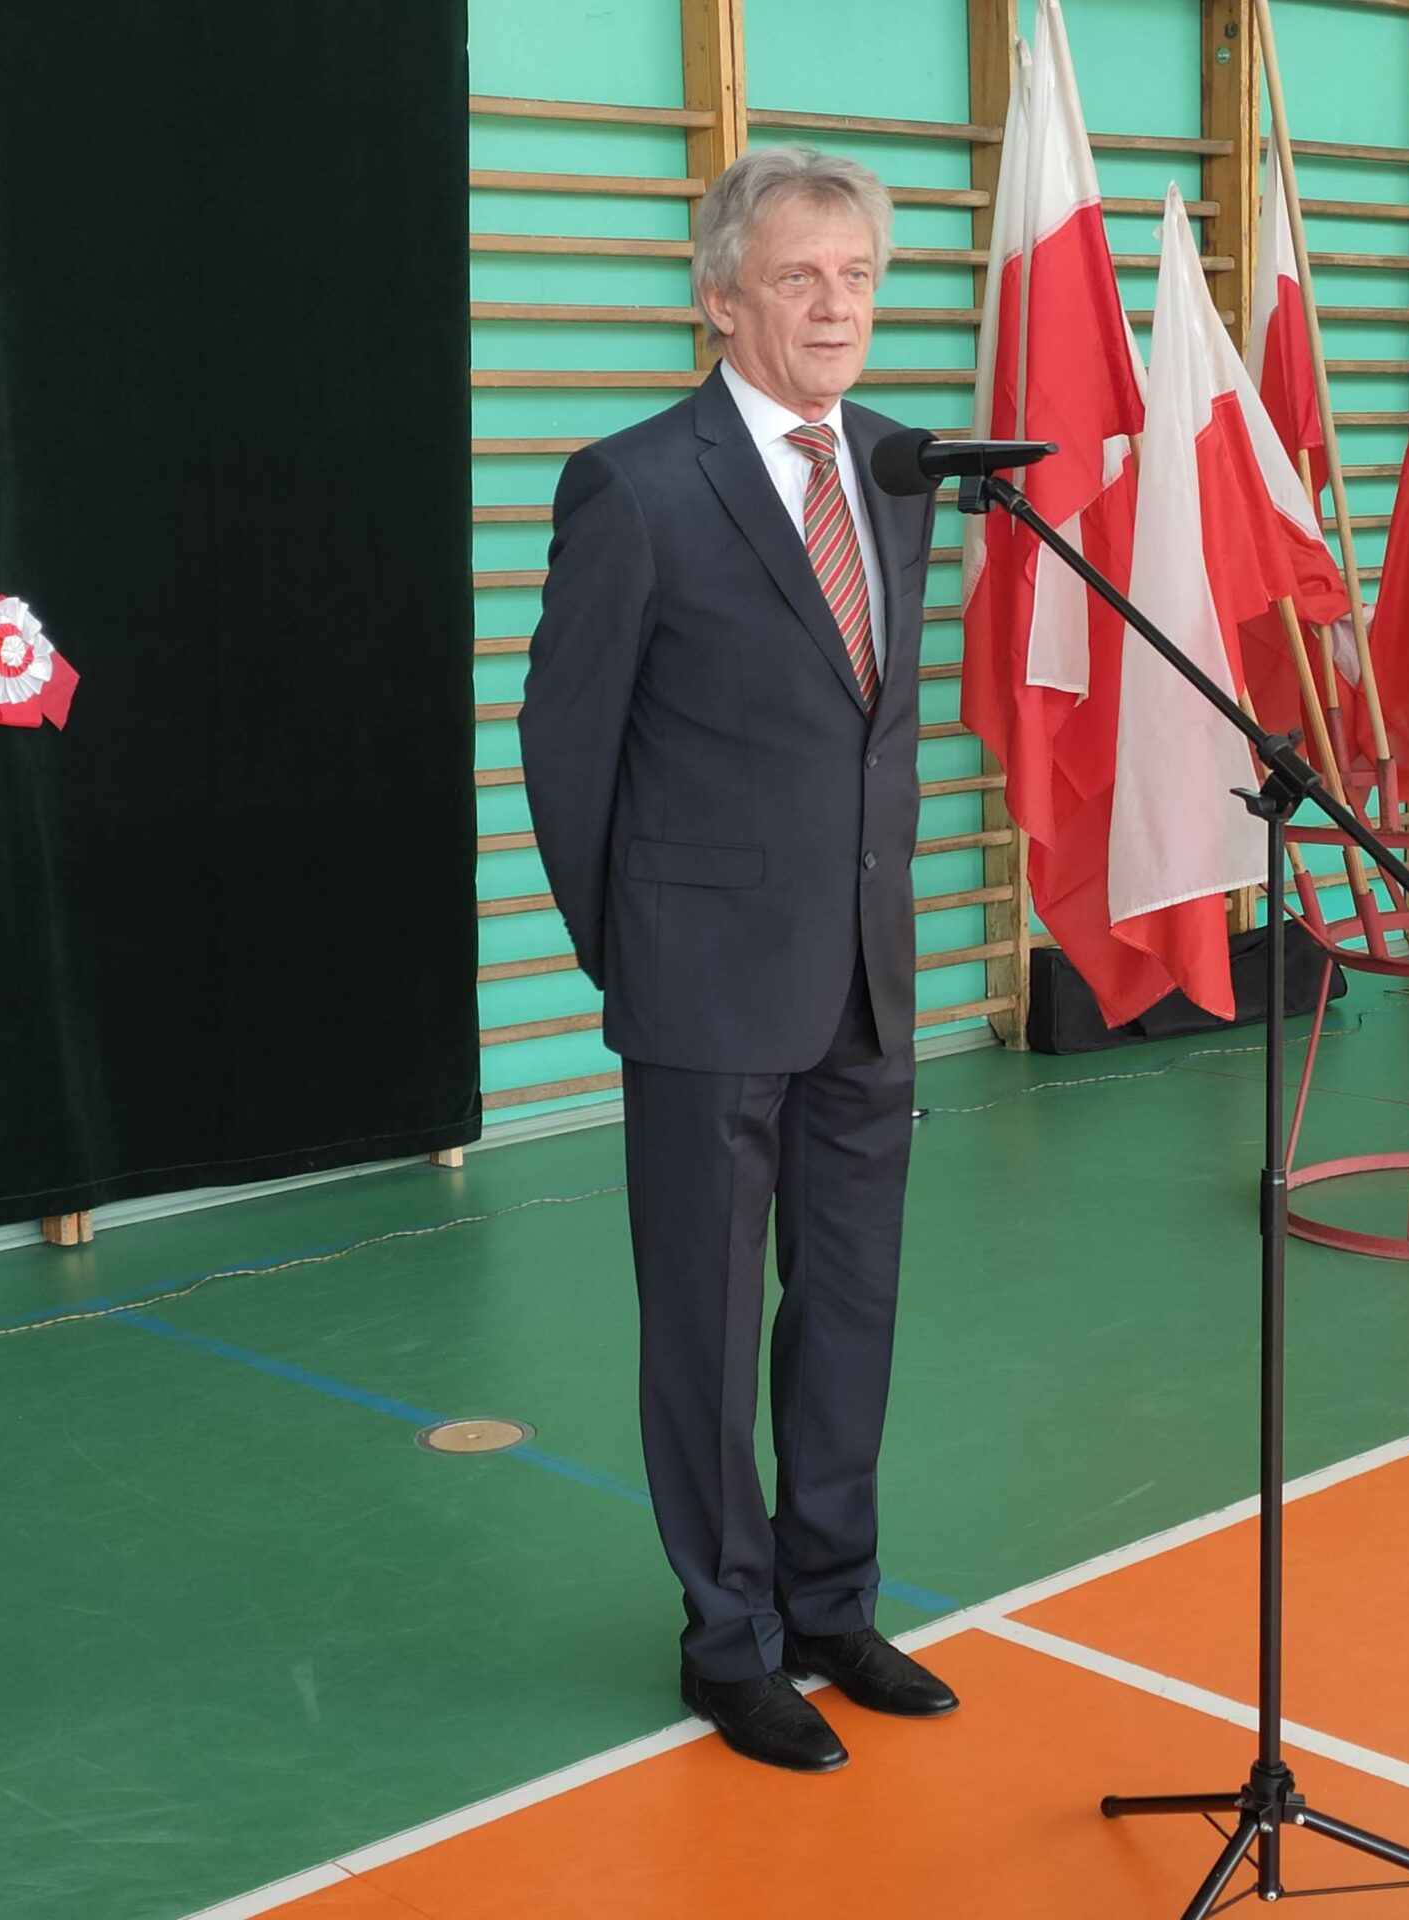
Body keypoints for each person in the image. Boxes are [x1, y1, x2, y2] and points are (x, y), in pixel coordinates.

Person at [519, 146, 955, 1774]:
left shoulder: (897, 468)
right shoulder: (634, 486)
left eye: (857, 276)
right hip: (702, 986)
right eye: (797, 277)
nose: (836, 307)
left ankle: (834, 1605)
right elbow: (567, 750)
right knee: (702, 1334)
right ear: (720, 298)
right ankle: (732, 1641)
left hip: (866, 977)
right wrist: (636, 955)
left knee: (851, 1303)